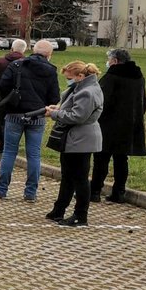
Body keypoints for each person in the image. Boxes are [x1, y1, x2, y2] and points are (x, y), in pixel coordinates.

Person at [0, 39, 60, 202]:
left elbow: (1, 86)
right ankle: (30, 192)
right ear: (49, 55)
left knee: (9, 152)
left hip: (15, 113)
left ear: (32, 50)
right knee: (34, 155)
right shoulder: (50, 70)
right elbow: (54, 96)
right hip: (37, 115)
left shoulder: (17, 65)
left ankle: (1, 189)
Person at [45, 61, 104, 227]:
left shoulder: (88, 92)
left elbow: (77, 116)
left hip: (81, 139)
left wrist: (55, 114)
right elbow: (70, 107)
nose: (68, 81)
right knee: (68, 176)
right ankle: (59, 209)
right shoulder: (81, 88)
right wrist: (57, 108)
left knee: (80, 178)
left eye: (70, 78)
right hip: (73, 139)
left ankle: (80, 215)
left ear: (80, 76)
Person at [90, 48, 146, 203]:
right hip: (130, 124)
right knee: (122, 159)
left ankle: (95, 191)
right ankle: (119, 192)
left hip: (109, 124)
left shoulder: (111, 76)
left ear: (114, 61)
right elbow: (144, 101)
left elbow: (102, 100)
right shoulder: (138, 77)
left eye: (109, 60)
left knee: (101, 159)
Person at [0, 39, 27, 154]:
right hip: (19, 96)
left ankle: (1, 145)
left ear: (12, 48)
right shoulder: (26, 62)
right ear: (24, 50)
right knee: (17, 120)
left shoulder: (1, 61)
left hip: (2, 95)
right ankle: (13, 145)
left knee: (1, 120)